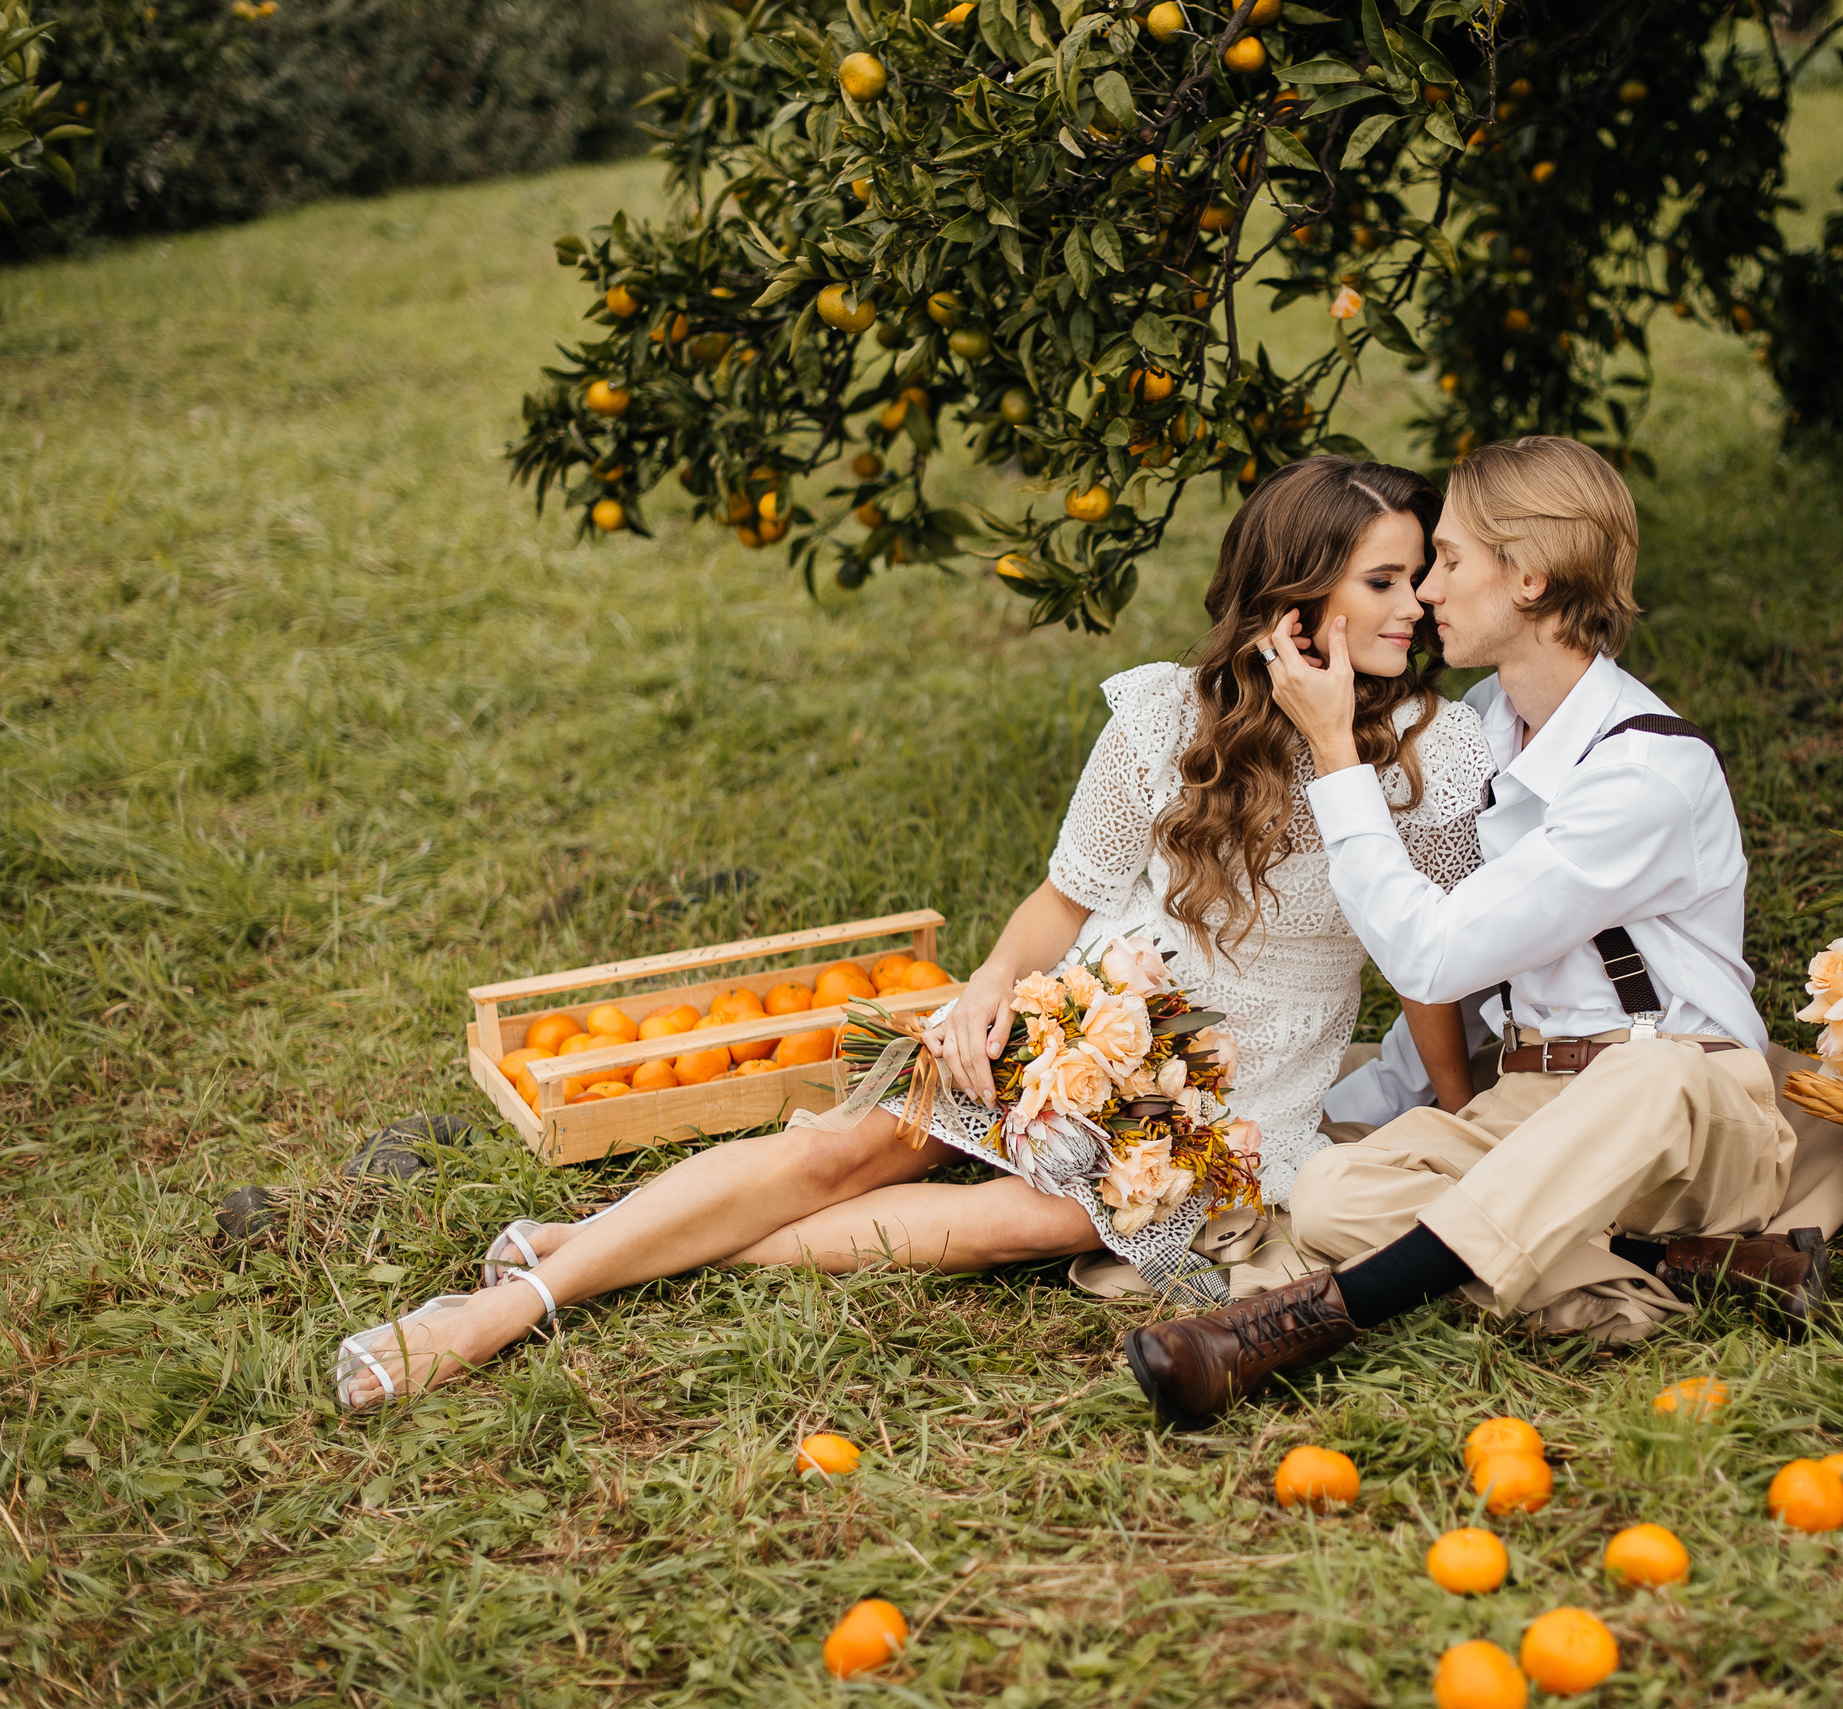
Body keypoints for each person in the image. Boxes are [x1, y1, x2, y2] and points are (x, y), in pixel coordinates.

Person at [333, 456, 1495, 1408]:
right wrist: (989, 981)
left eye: (1417, 578)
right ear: (1299, 599)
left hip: (1247, 1085)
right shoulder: (1160, 713)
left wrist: (1449, 1096)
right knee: (844, 1150)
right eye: (1386, 582)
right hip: (1101, 1005)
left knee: (1028, 1216)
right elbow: (1065, 897)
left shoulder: (1440, 755)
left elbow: (1426, 957)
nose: (1416, 606)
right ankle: (501, 1311)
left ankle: (605, 1246)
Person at [1124, 435, 1843, 1430]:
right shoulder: (1484, 724)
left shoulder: (1643, 771)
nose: (1425, 589)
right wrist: (1373, 1096)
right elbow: (1456, 974)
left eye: (1448, 559)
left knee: (1647, 1070)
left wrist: (1337, 754)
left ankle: (1307, 1321)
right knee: (1332, 1193)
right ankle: (1686, 1265)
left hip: (1689, 1110)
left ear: (1527, 578)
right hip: (1532, 1099)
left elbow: (1433, 952)